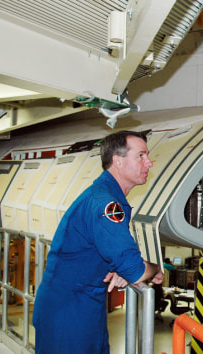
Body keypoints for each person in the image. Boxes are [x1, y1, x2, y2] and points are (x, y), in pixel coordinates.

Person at [33, 130, 164, 354]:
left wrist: (118, 268)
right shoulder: (105, 204)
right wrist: (156, 269)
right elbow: (136, 271)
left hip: (84, 306)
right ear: (118, 161)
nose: (149, 163)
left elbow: (106, 253)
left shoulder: (105, 197)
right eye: (141, 156)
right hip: (70, 313)